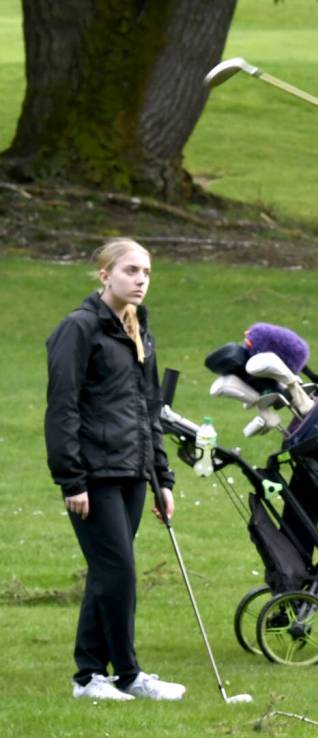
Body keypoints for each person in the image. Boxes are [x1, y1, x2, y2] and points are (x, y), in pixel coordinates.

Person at [45, 238, 186, 702]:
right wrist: (72, 479)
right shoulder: (79, 329)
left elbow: (152, 411)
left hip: (132, 474)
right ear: (105, 275)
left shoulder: (139, 331)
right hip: (94, 474)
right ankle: (123, 673)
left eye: (145, 271)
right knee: (118, 572)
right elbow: (62, 408)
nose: (140, 280)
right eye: (130, 270)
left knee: (108, 573)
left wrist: (161, 478)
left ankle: (90, 675)